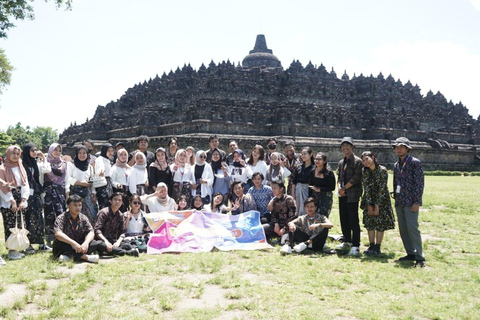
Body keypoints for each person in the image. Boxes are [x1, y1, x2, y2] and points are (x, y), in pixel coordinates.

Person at [392, 137, 425, 267]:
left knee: (413, 228)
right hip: (400, 201)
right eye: (397, 147)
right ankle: (410, 252)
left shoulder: (414, 163)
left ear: (407, 148)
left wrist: (417, 201)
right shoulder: (396, 165)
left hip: (411, 201)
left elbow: (419, 183)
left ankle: (420, 256)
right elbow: (395, 182)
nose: (399, 149)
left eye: (402, 147)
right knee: (403, 229)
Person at [360, 151, 395, 255]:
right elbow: (366, 188)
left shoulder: (382, 170)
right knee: (369, 222)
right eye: (363, 160)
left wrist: (377, 205)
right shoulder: (364, 171)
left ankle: (377, 247)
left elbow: (382, 188)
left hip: (382, 199)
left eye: (367, 159)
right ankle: (371, 245)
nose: (365, 162)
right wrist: (369, 205)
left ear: (373, 157)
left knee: (380, 223)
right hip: (368, 198)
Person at [0, 146, 30, 261]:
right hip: (9, 200)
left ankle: (17, 248)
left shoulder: (20, 167)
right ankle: (11, 251)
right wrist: (12, 201)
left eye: (18, 154)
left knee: (20, 224)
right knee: (10, 225)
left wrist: (23, 199)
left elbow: (25, 184)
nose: (15, 156)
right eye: (13, 153)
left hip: (20, 198)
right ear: (8, 154)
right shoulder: (2, 168)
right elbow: (2, 187)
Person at [53, 194, 100, 263]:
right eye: (75, 205)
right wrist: (73, 243)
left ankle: (68, 257)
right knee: (60, 244)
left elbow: (91, 231)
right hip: (67, 245)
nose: (78, 208)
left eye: (80, 205)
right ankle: (86, 257)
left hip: (80, 245)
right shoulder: (61, 218)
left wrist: (86, 243)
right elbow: (57, 234)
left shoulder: (83, 217)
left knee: (94, 243)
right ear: (68, 206)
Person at [336, 137, 363, 256]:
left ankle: (356, 245)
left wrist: (345, 188)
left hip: (352, 194)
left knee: (353, 219)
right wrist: (339, 188)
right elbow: (339, 177)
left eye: (348, 146)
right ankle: (347, 240)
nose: (345, 148)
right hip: (342, 194)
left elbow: (357, 178)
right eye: (343, 146)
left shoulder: (357, 161)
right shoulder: (342, 162)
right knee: (344, 218)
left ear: (352, 147)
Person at [22, 143, 51, 254]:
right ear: (26, 152)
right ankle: (28, 244)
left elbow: (47, 170)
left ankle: (41, 243)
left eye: (35, 150)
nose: (35, 152)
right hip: (26, 195)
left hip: (36, 194)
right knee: (27, 219)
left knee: (39, 218)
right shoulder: (22, 164)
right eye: (32, 150)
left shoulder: (35, 163)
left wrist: (43, 158)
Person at [94, 193, 139, 257]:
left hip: (113, 241)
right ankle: (126, 252)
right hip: (102, 240)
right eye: (115, 199)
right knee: (100, 244)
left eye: (119, 200)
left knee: (127, 245)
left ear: (122, 203)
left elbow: (122, 232)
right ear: (110, 201)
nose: (117, 202)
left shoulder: (120, 215)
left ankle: (113, 251)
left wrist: (118, 242)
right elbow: (97, 230)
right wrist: (106, 242)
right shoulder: (104, 212)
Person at [44, 143, 68, 249]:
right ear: (51, 150)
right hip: (48, 193)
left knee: (60, 215)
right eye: (55, 150)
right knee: (49, 216)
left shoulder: (63, 163)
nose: (57, 152)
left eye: (59, 150)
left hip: (59, 192)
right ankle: (49, 240)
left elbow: (59, 173)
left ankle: (61, 239)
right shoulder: (44, 162)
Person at [67, 145, 96, 222]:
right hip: (75, 193)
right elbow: (68, 178)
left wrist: (94, 193)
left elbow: (92, 180)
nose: (82, 155)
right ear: (76, 154)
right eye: (80, 153)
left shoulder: (89, 167)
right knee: (75, 214)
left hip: (87, 195)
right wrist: (80, 183)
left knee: (90, 215)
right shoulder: (71, 164)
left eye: (84, 153)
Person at [309, 152, 336, 217]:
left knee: (323, 216)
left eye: (319, 159)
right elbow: (311, 185)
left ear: (324, 161)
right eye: (316, 159)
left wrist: (320, 190)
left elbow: (332, 187)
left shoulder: (329, 173)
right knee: (313, 215)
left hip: (325, 197)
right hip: (315, 197)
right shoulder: (312, 171)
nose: (317, 161)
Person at [291, 147, 315, 216]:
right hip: (298, 190)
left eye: (305, 154)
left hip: (307, 190)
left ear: (310, 155)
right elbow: (294, 181)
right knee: (298, 208)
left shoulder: (314, 168)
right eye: (302, 154)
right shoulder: (298, 167)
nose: (303, 156)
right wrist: (293, 194)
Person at [93, 143, 114, 209]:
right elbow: (100, 168)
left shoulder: (107, 160)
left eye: (112, 151)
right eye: (109, 151)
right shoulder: (100, 159)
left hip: (108, 183)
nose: (110, 153)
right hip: (102, 184)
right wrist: (100, 172)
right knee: (104, 204)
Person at [110, 148, 131, 212]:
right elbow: (112, 180)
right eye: (121, 155)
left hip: (128, 192)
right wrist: (117, 185)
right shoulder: (115, 168)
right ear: (118, 156)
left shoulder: (128, 167)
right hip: (119, 190)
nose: (123, 156)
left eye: (125, 154)